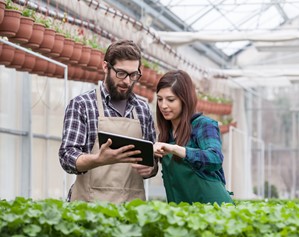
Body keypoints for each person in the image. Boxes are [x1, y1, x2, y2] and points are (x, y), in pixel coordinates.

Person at [59, 39, 158, 203]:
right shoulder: (82, 105)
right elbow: (67, 156)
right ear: (106, 67)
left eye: (133, 75)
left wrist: (151, 168)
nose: (127, 81)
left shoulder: (143, 109)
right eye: (121, 73)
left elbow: (152, 158)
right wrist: (98, 159)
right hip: (90, 205)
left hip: (132, 207)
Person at [153, 70, 234, 205]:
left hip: (214, 209)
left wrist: (177, 149)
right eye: (160, 99)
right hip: (182, 212)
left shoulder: (203, 125)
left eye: (170, 99)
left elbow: (215, 158)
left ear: (185, 100)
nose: (163, 105)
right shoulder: (166, 134)